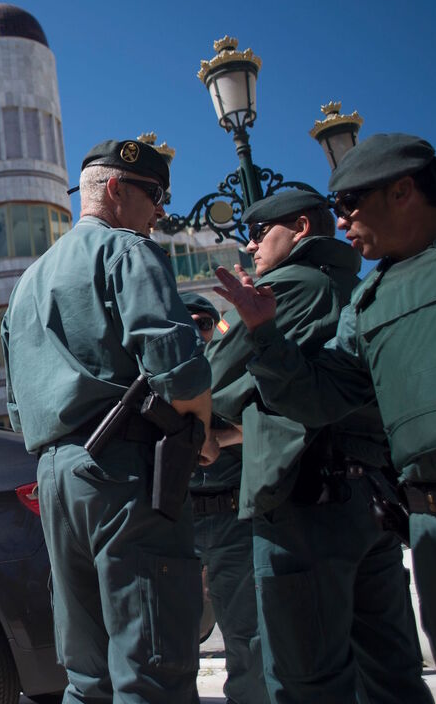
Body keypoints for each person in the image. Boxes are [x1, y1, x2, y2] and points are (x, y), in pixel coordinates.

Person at [213, 133, 436, 704]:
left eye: (352, 203)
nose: (343, 218)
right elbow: (320, 396)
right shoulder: (367, 301)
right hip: (432, 533)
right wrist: (265, 334)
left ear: (403, 190)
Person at [2, 138, 218, 703]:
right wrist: (202, 434)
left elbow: (16, 407)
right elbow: (178, 368)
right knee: (152, 665)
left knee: (88, 675)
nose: (163, 211)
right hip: (125, 472)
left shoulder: (26, 283)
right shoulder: (128, 250)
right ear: (118, 188)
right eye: (156, 195)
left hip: (55, 476)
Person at [206, 189, 430, 704]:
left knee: (305, 678)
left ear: (301, 228)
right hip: (373, 497)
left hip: (304, 498)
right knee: (390, 672)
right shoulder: (360, 287)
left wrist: (245, 400)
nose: (250, 245)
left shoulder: (285, 284)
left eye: (260, 233)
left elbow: (216, 377)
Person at [181, 292, 269, 704]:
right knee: (171, 645)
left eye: (204, 322)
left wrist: (219, 436)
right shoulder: (165, 377)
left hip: (235, 519)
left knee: (249, 641)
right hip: (179, 524)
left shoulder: (235, 369)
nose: (198, 331)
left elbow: (268, 420)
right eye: (188, 323)